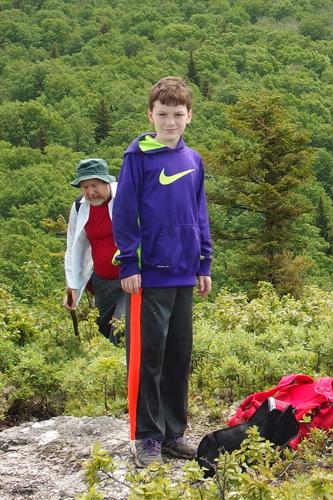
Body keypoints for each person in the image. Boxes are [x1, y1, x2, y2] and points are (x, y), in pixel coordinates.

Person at [112, 76, 212, 467]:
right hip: (149, 274)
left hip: (185, 273)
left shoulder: (193, 159)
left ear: (189, 116)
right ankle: (146, 437)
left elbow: (199, 213)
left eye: (177, 114)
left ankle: (173, 433)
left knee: (178, 356)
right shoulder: (137, 158)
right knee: (147, 356)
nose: (170, 122)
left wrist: (204, 262)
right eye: (162, 114)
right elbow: (124, 214)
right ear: (150, 115)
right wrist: (129, 262)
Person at [63, 158, 125, 345]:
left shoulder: (125, 197)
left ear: (106, 182)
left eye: (95, 185)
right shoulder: (79, 207)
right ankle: (114, 369)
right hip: (102, 281)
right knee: (104, 327)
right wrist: (72, 287)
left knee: (121, 327)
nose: (90, 192)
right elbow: (74, 247)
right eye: (85, 187)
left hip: (132, 277)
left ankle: (128, 371)